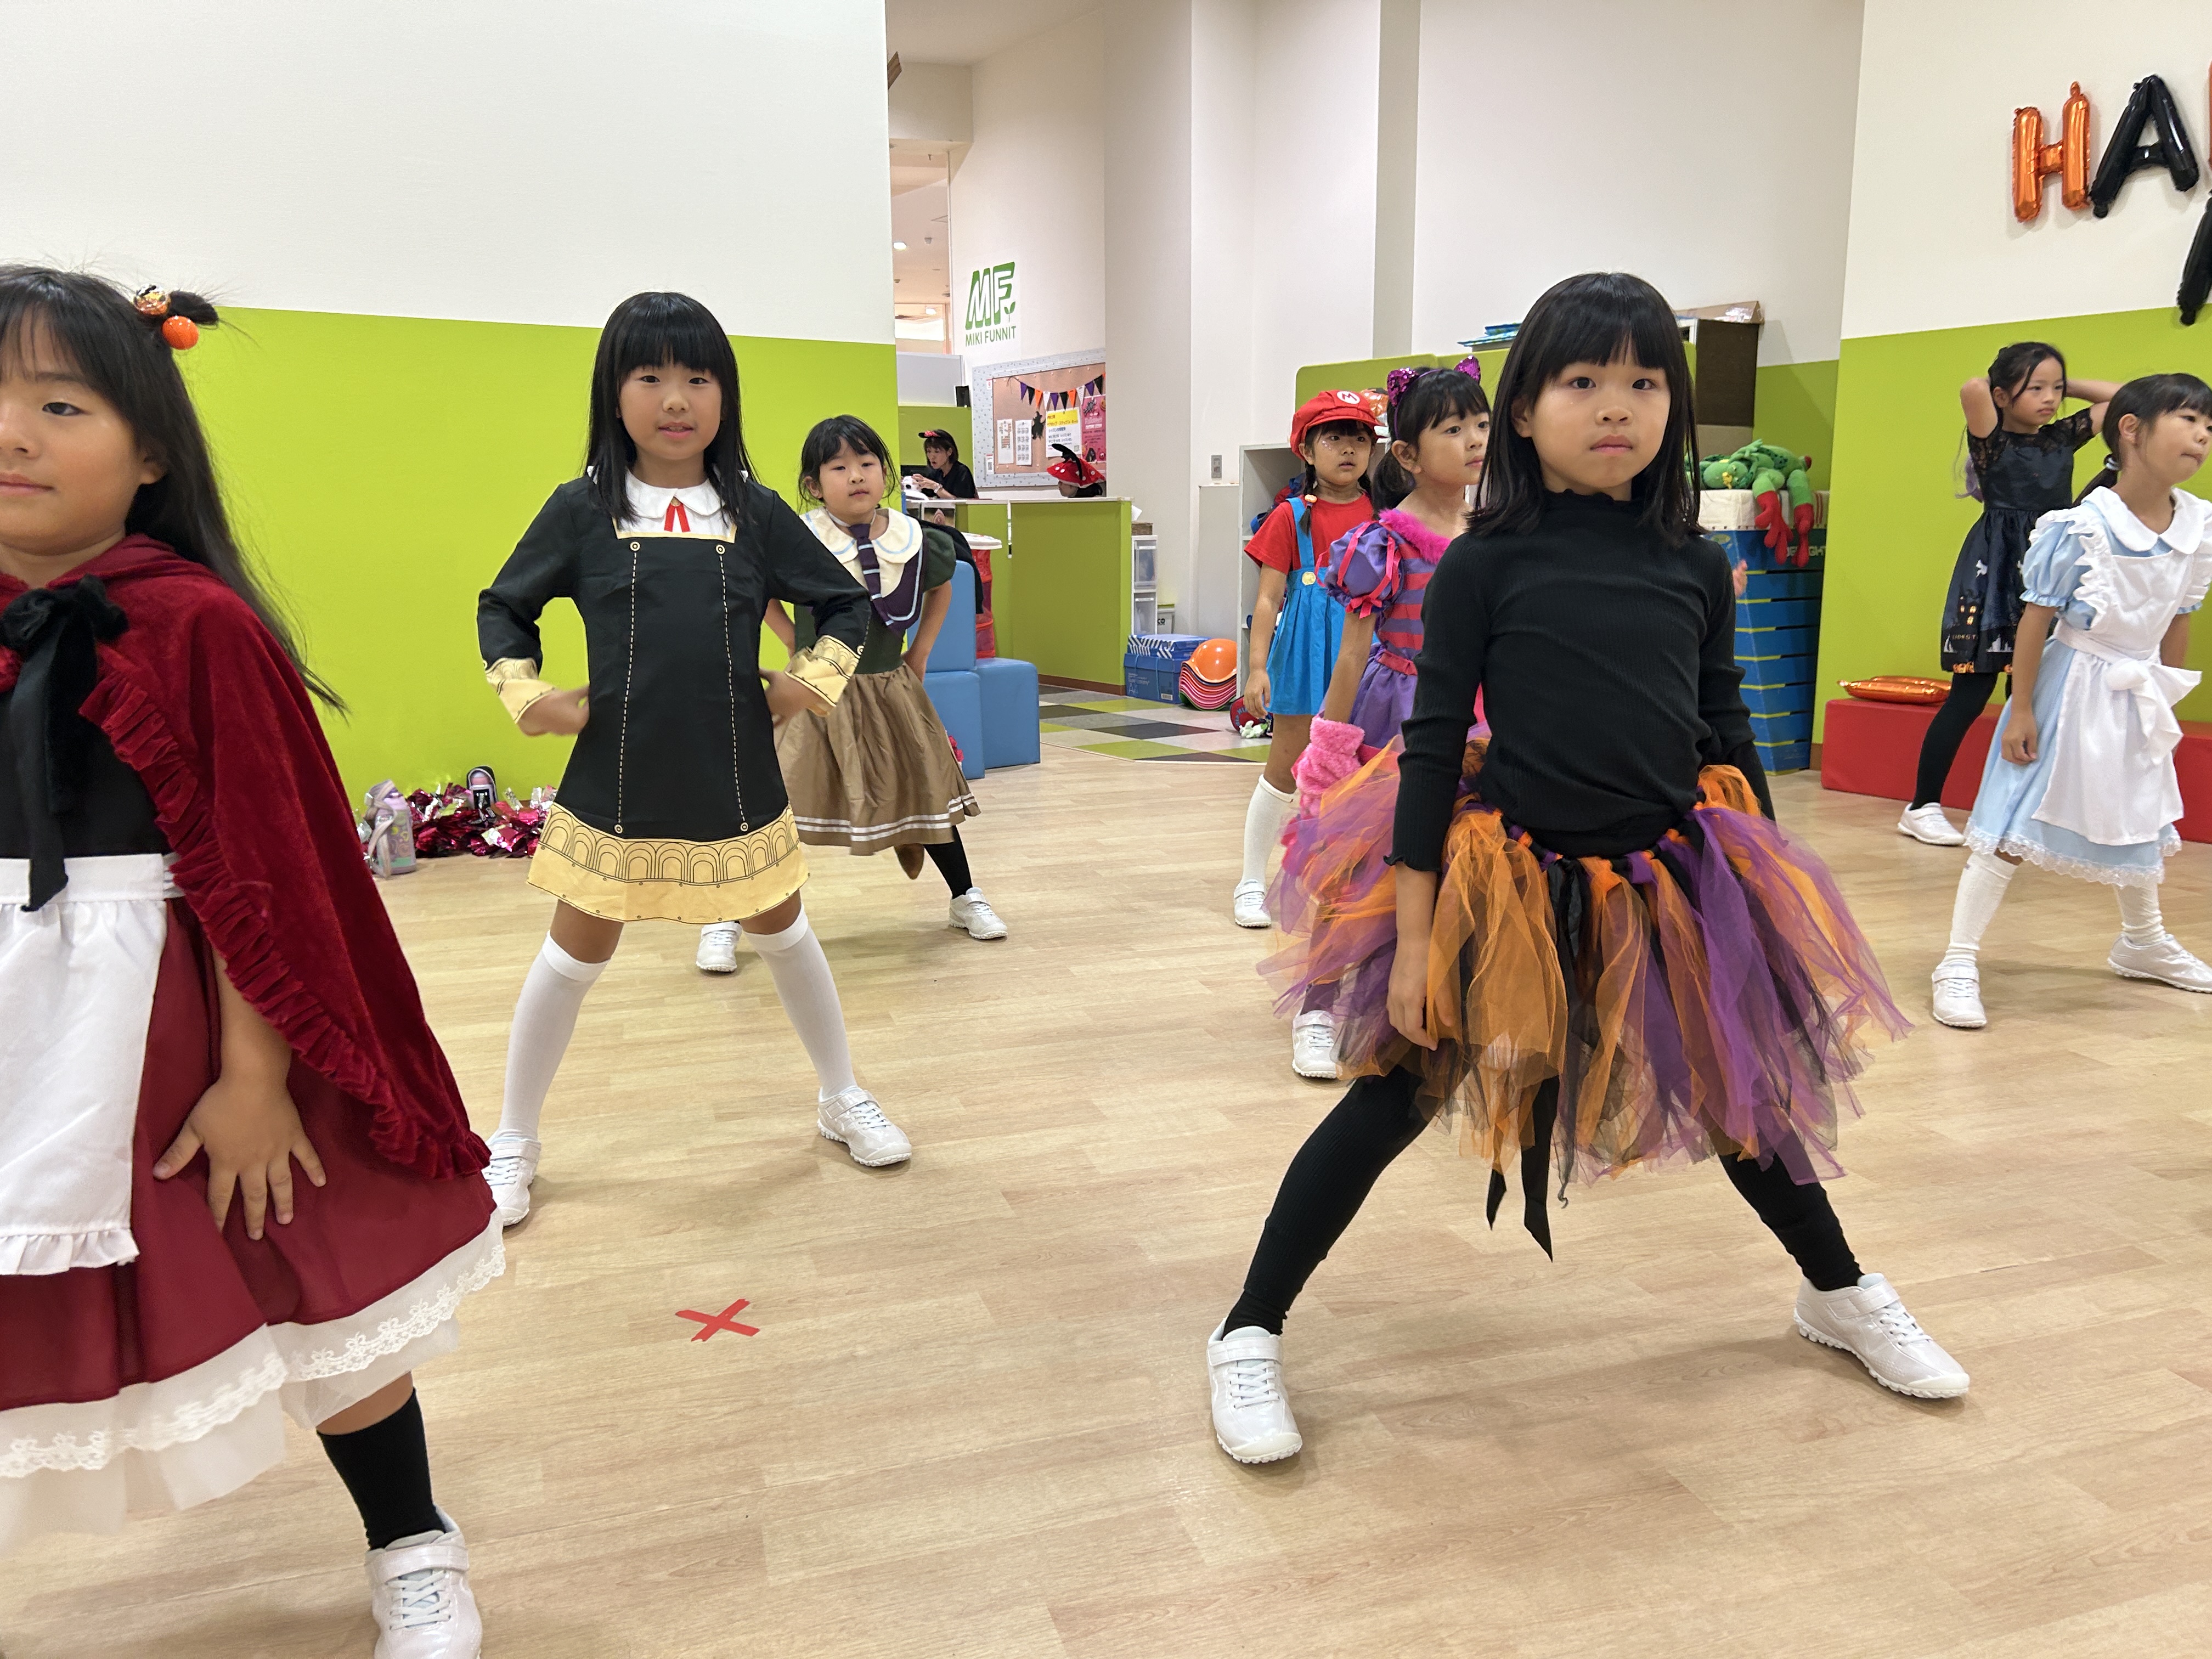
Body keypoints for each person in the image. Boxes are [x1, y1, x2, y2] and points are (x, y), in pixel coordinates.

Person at [1206, 273, 1968, 1468]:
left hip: (1667, 875)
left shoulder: (1693, 564)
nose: (1616, 405)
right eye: (1582, 380)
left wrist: (1766, 891)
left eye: (1644, 381)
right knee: (1394, 1096)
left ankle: (1839, 1289)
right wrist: (1416, 938)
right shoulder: (1483, 565)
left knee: (1739, 1096)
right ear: (1523, 410)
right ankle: (1249, 1325)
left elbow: (1726, 726)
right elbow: (1430, 747)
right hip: (1507, 876)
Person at [0, 267, 499, 1655]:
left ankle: (413, 1538)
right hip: (14, 1025)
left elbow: (268, 873)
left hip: (177, 1028)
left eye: (60, 405)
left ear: (151, 450)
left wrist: (253, 1079)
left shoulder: (195, 624)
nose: (14, 435)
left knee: (306, 1278)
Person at [478, 292, 912, 1230]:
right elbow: (503, 605)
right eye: (651, 376)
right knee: (571, 956)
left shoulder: (754, 511)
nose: (675, 399)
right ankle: (512, 1139)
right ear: (614, 391)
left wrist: (812, 682)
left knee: (786, 934)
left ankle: (841, 1094)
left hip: (736, 775)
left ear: (725, 394)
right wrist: (527, 694)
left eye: (698, 378)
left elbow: (844, 604)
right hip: (615, 780)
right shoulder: (581, 510)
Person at [1931, 373, 2212, 1028]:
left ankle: (2142, 940)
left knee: (2141, 813)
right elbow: (2036, 620)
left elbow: (2179, 616)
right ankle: (1958, 959)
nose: (2202, 435)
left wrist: (2166, 696)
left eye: (2209, 425)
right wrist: (2022, 708)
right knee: (2012, 821)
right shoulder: (2080, 525)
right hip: (2071, 685)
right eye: (2188, 419)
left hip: (2138, 692)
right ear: (2131, 430)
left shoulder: (2199, 524)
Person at [707, 414, 1003, 953]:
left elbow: (941, 587)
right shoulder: (798, 537)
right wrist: (793, 643)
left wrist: (921, 653)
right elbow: (759, 590)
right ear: (815, 485)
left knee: (924, 789)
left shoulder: (913, 537)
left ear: (884, 473)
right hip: (814, 689)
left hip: (891, 688)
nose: (857, 475)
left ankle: (965, 896)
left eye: (867, 463)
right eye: (839, 467)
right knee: (770, 802)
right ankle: (729, 912)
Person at [1269, 359, 1489, 1079]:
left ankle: (1440, 1001)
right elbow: (1352, 653)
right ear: (1408, 454)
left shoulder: (1495, 538)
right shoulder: (1383, 543)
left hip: (1477, 720)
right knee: (1358, 864)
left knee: (1464, 861)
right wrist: (1326, 754)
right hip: (1393, 717)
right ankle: (1318, 1009)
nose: (1473, 440)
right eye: (1452, 429)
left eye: (1480, 424)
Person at [1900, 343, 2117, 844]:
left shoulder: (2062, 436)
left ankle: (2015, 813)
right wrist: (2015, 383)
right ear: (2002, 395)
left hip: (2049, 567)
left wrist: (2062, 383)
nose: (2050, 399)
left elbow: (2128, 399)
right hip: (1995, 571)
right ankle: (1922, 806)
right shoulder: (1992, 443)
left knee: (2034, 696)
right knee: (1970, 694)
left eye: (2056, 389)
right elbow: (1971, 388)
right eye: (2036, 389)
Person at [1231, 390, 1381, 929]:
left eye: (1359, 438)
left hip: (1371, 658)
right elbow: (1267, 599)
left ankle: (1349, 886)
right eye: (1334, 438)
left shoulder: (1385, 514)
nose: (1349, 449)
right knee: (1285, 771)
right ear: (1307, 451)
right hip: (1304, 655)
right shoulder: (1289, 517)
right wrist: (1256, 668)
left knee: (1364, 775)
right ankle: (1251, 881)